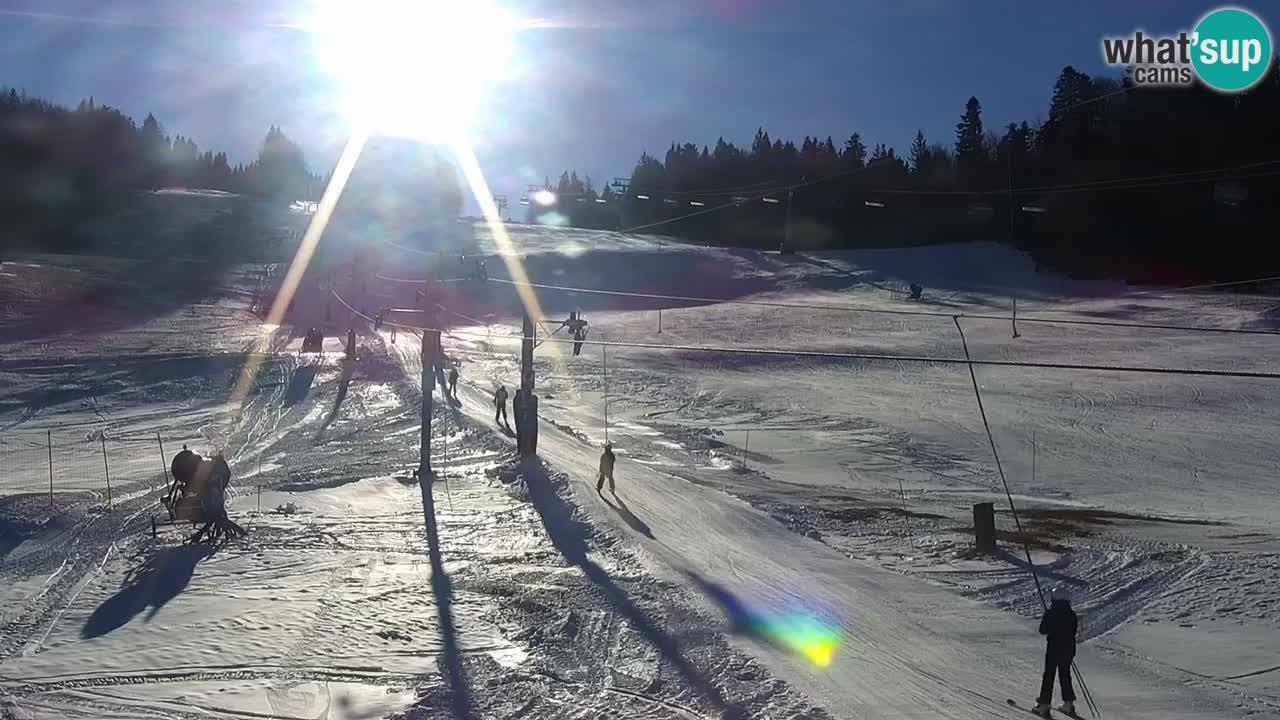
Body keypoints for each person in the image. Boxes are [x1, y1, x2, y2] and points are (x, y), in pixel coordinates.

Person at [1033, 587, 1078, 717]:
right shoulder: (1071, 614)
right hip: (1069, 648)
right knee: (1065, 675)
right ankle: (1068, 704)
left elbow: (1043, 630)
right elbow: (1073, 631)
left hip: (1054, 648)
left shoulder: (1051, 613)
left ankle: (1044, 704)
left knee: (1049, 675)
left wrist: (1047, 618)